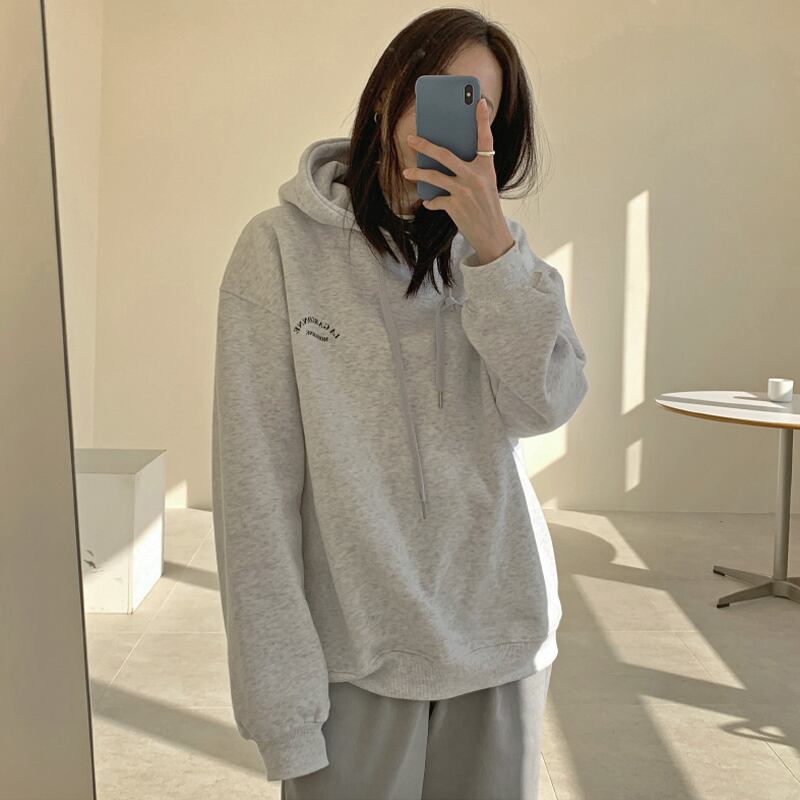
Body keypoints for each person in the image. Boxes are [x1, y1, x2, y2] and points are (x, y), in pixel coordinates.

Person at [211, 8, 589, 800]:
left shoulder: (500, 257)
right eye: (444, 92)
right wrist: (282, 710)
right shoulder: (278, 250)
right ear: (389, 91)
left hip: (503, 643)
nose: (460, 123)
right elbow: (255, 493)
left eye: (484, 107)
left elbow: (547, 404)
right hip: (356, 655)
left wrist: (496, 254)